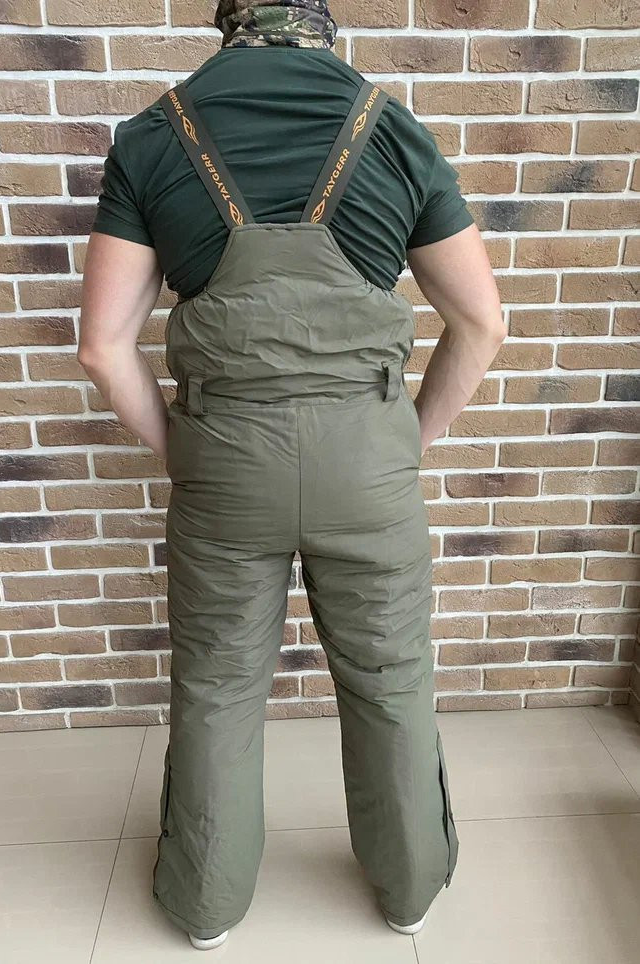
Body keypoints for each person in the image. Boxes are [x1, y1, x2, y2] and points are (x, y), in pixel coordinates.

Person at [78, 0, 505, 951]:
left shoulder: (154, 137)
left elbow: (104, 348)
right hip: (368, 456)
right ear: (320, 22)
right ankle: (407, 893)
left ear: (228, 21)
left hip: (225, 457)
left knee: (219, 686)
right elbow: (480, 322)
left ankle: (207, 908)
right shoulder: (391, 127)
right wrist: (406, 442)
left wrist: (186, 453)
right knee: (390, 677)